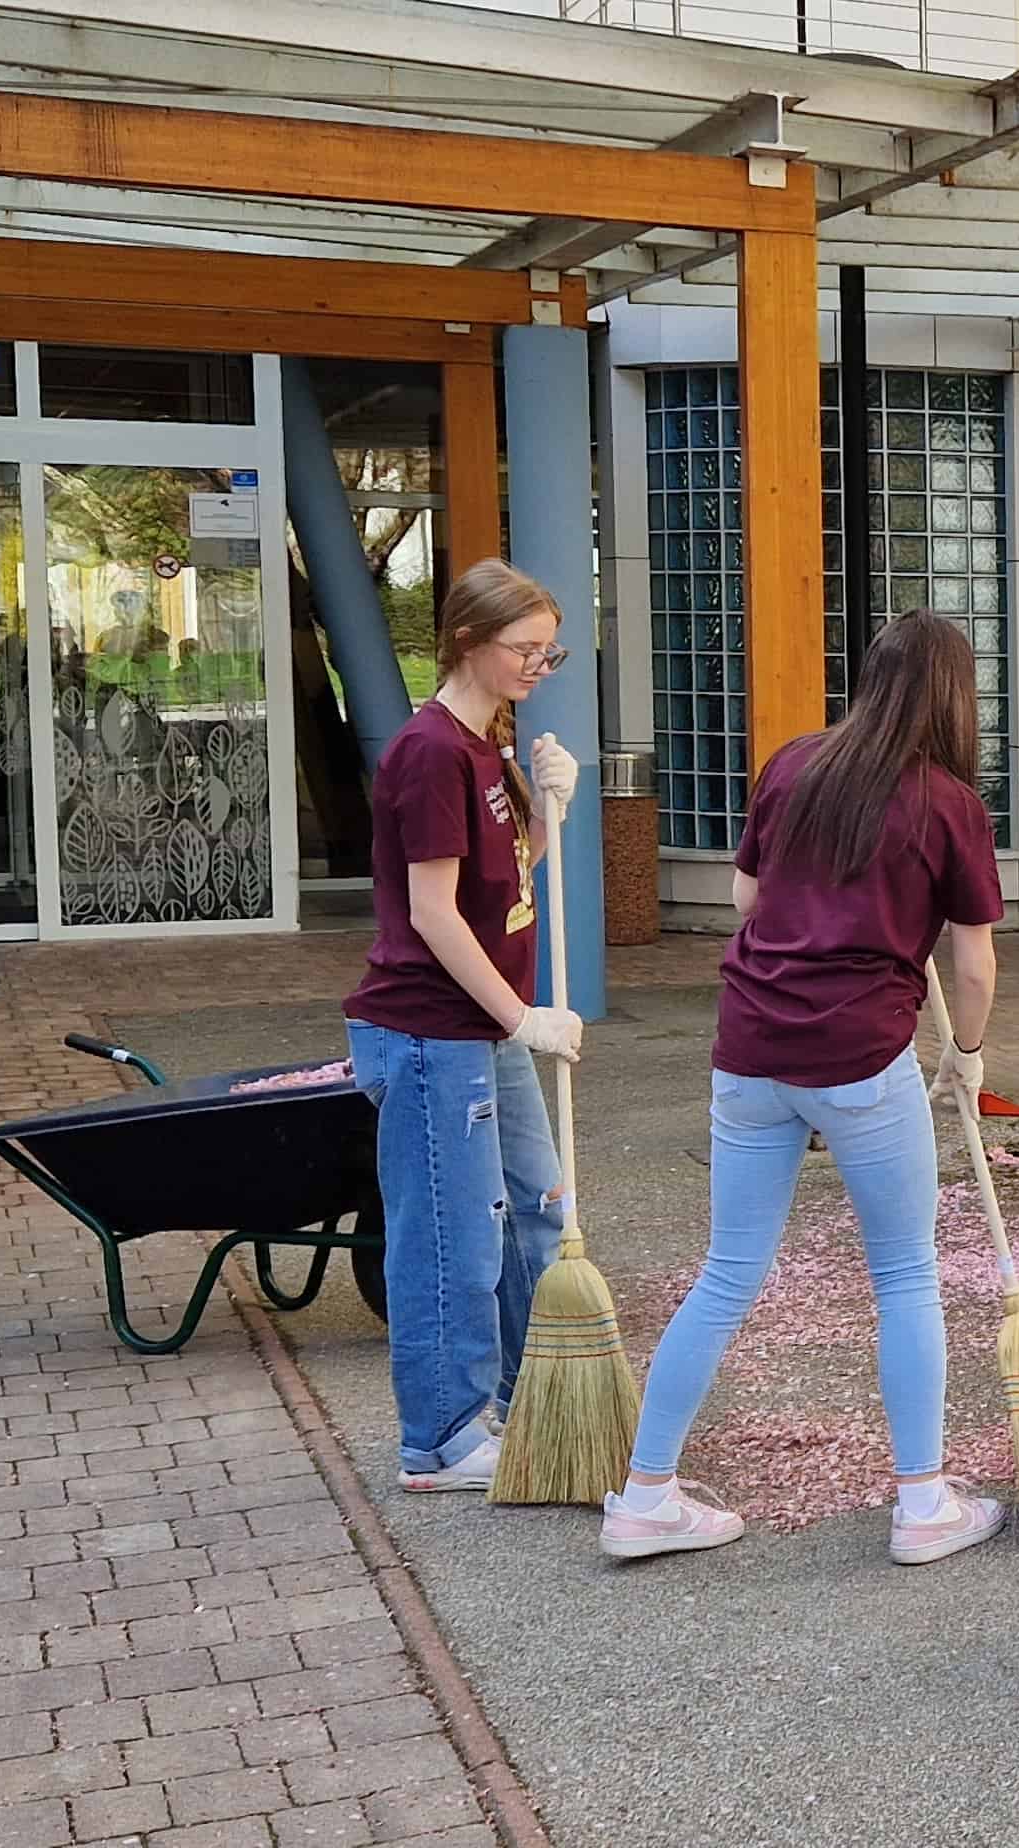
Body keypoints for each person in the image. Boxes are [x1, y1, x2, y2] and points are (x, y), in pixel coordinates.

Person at [596, 615, 1007, 1565]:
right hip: (861, 1057)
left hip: (750, 1049)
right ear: (954, 697)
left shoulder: (792, 765)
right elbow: (974, 964)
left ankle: (645, 1496)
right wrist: (967, 1053)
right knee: (904, 1273)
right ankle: (923, 1506)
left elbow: (747, 902)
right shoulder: (948, 804)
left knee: (727, 1273)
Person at [341, 559, 582, 1496]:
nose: (538, 666)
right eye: (525, 649)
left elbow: (506, 882)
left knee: (536, 1211)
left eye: (549, 652)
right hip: (431, 1033)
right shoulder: (431, 752)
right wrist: (522, 1017)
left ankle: (530, 1399)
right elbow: (433, 913)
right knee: (453, 1239)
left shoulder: (488, 744)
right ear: (469, 641)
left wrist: (550, 809)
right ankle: (440, 1440)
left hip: (481, 1029)